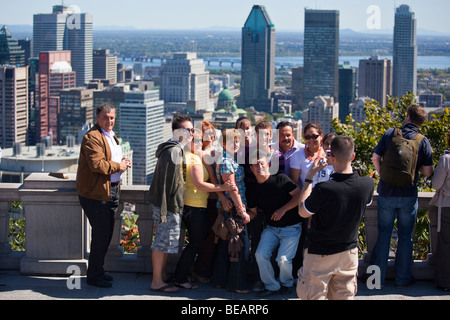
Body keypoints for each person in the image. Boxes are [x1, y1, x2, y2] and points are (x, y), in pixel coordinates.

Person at [297, 136, 375, 300]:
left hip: (320, 253)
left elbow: (303, 212)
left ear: (331, 156)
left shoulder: (324, 189)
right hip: (348, 253)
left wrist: (310, 177)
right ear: (352, 156)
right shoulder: (367, 184)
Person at [370, 105, 433, 287]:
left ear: (407, 117)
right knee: (405, 237)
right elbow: (428, 172)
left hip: (387, 193)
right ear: (420, 122)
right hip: (408, 195)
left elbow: (375, 157)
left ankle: (376, 280)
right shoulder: (423, 141)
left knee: (384, 235)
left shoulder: (391, 133)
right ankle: (402, 279)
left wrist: (383, 174)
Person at [76, 103, 132, 288]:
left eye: (112, 117)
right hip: (95, 193)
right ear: (97, 118)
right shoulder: (92, 137)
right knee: (101, 234)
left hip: (111, 189)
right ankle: (94, 276)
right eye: (105, 117)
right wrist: (119, 166)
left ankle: (98, 270)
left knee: (106, 235)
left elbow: (111, 160)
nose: (109, 121)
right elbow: (97, 165)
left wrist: (122, 162)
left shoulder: (111, 136)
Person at [174, 129, 236, 289]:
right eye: (196, 141)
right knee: (195, 243)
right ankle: (180, 278)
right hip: (194, 205)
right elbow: (199, 184)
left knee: (196, 242)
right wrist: (221, 187)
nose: (200, 144)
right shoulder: (193, 159)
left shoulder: (189, 157)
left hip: (193, 204)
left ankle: (182, 275)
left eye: (201, 141)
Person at [148, 114, 194, 293]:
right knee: (161, 243)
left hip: (169, 205)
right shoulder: (173, 151)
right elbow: (167, 184)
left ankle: (162, 276)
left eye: (191, 129)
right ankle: (157, 281)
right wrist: (166, 212)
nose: (190, 133)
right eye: (185, 130)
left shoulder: (176, 148)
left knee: (166, 242)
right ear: (176, 132)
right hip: (167, 206)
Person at [247, 152, 302, 297]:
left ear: (268, 164)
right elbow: (253, 213)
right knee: (260, 254)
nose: (259, 166)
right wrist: (245, 216)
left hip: (292, 228)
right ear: (251, 168)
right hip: (271, 229)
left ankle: (286, 283)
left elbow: (298, 195)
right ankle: (271, 285)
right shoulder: (253, 190)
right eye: (255, 164)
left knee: (283, 259)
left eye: (262, 163)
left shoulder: (281, 179)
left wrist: (283, 209)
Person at [212, 128, 251, 294]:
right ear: (223, 143)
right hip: (234, 211)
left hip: (228, 210)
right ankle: (237, 284)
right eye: (231, 141)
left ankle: (220, 280)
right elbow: (233, 189)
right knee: (240, 247)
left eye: (237, 141)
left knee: (225, 245)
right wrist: (242, 211)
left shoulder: (227, 159)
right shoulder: (227, 162)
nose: (235, 144)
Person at [429, 130, 450, 291]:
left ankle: (444, 281)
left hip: (447, 206)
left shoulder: (446, 160)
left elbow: (436, 184)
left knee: (445, 244)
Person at [290, 123, 333, 188]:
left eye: (314, 136)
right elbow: (294, 183)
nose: (311, 140)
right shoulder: (297, 156)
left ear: (321, 136)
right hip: (307, 194)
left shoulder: (329, 153)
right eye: (307, 137)